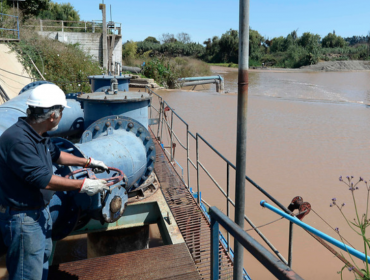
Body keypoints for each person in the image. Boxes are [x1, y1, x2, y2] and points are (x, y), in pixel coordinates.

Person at [0, 84, 110, 280]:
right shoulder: (18, 141)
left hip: (40, 212)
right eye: (61, 112)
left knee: (40, 266)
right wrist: (83, 185)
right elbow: (44, 180)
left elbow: (57, 155)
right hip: (24, 218)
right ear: (53, 116)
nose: (61, 116)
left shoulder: (36, 133)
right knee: (27, 273)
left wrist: (88, 162)